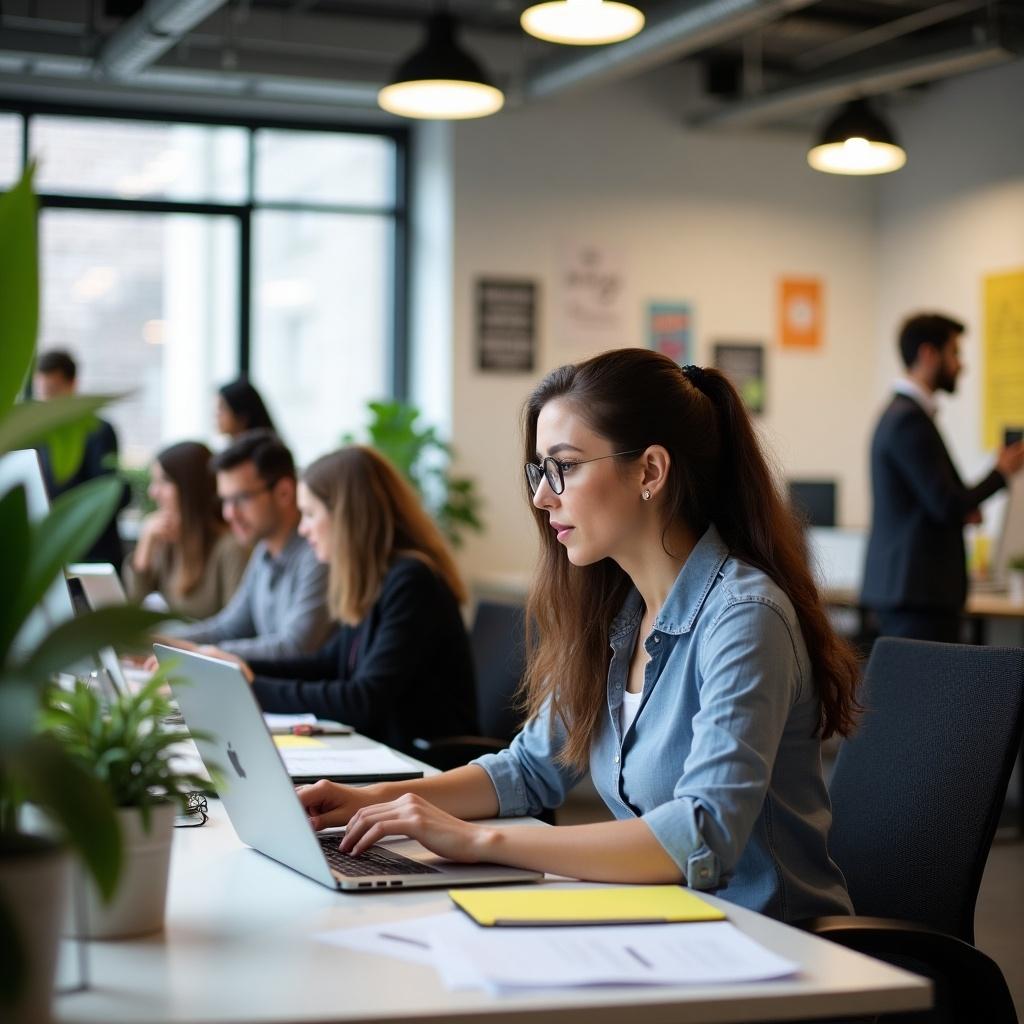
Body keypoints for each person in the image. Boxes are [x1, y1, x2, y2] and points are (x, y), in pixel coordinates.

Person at [296, 349, 859, 922]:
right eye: (540, 470)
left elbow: (703, 833)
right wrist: (371, 799)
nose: (543, 497)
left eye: (563, 466)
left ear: (650, 471)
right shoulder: (619, 614)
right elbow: (528, 769)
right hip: (668, 928)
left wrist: (478, 842)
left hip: (771, 948)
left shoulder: (744, 616)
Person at [223, 446, 477, 755]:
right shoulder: (374, 579)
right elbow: (327, 664)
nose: (303, 528)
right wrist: (239, 668)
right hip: (383, 755)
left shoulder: (412, 581)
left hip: (424, 767)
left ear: (347, 517)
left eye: (311, 514)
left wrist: (251, 687)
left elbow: (363, 700)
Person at [861, 313, 1024, 643]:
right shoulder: (908, 420)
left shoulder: (905, 416)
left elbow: (936, 499)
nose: (961, 365)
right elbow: (946, 503)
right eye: (955, 353)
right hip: (916, 594)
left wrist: (963, 507)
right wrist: (1001, 472)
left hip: (912, 592)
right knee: (924, 692)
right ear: (928, 354)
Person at [158, 430, 334, 659]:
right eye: (225, 501)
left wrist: (203, 654)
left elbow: (297, 647)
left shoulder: (317, 554)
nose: (229, 513)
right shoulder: (264, 551)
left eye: (241, 499)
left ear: (284, 492)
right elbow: (228, 627)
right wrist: (160, 643)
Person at [125, 441, 250, 619]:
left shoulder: (231, 548)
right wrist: (146, 544)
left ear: (190, 489)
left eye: (164, 482)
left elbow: (236, 628)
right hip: (173, 644)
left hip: (202, 646)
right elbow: (133, 611)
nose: (153, 492)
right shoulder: (167, 541)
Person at [33, 349, 129, 570]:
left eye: (53, 390)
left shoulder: (98, 431)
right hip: (52, 549)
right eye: (42, 392)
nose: (47, 400)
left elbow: (107, 490)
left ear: (72, 384)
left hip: (92, 550)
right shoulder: (38, 436)